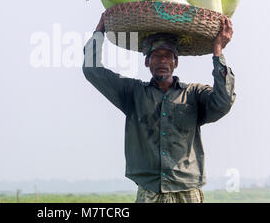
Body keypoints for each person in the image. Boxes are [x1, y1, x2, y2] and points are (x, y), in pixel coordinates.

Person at [82, 14, 236, 203]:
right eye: (156, 56)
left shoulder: (194, 94)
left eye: (168, 56)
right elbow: (91, 70)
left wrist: (218, 51)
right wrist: (99, 32)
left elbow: (223, 101)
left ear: (175, 62)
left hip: (187, 191)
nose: (162, 61)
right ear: (147, 62)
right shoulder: (133, 94)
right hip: (150, 191)